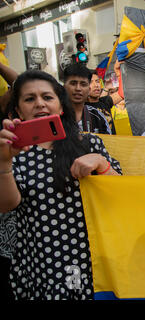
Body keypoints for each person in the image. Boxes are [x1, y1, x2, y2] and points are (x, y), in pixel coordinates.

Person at [0, 70, 122, 299]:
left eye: (47, 97)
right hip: (40, 261)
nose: (39, 104)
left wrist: (101, 163)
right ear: (18, 110)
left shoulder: (89, 142)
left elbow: (122, 195)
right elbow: (6, 205)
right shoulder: (11, 152)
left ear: (60, 105)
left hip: (90, 258)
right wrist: (4, 161)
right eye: (29, 99)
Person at [63, 64, 112, 134]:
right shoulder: (55, 115)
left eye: (83, 84)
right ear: (64, 87)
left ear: (88, 89)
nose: (78, 88)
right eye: (73, 83)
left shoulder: (97, 116)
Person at [87, 67, 124, 134]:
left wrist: (118, 72)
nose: (96, 85)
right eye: (91, 82)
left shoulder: (104, 102)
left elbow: (122, 93)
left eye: (97, 81)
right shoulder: (82, 108)